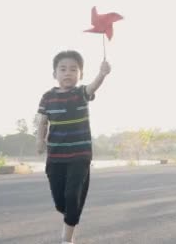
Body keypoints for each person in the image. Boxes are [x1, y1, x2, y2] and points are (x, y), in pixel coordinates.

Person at [36, 50, 111, 244]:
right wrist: (39, 140)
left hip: (80, 155)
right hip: (55, 156)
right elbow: (42, 121)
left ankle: (67, 239)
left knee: (71, 195)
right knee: (61, 201)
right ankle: (71, 212)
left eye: (73, 69)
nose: (68, 73)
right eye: (63, 69)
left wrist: (102, 74)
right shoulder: (47, 97)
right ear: (55, 74)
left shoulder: (81, 93)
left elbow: (94, 87)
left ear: (81, 74)